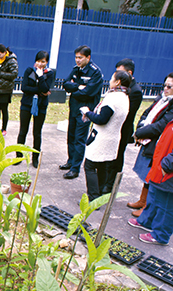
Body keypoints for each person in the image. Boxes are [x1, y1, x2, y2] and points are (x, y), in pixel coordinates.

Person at [128, 73, 173, 217]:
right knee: (145, 173)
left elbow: (161, 126)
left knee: (152, 175)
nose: (165, 88)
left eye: (169, 86)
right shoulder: (161, 98)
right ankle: (142, 200)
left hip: (158, 144)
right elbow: (146, 114)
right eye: (164, 85)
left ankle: (147, 207)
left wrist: (140, 133)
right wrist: (140, 127)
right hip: (148, 141)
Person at [81, 71, 130, 202]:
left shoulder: (113, 98)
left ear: (118, 81)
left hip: (102, 137)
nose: (110, 81)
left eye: (112, 78)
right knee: (102, 166)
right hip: (113, 137)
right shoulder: (125, 97)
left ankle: (93, 197)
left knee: (89, 166)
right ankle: (99, 194)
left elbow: (102, 119)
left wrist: (88, 112)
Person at [61, 45, 103, 179]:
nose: (77, 60)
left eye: (80, 57)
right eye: (76, 57)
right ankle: (70, 161)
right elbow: (65, 84)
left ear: (88, 57)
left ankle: (75, 168)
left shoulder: (95, 72)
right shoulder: (76, 69)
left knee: (79, 139)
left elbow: (88, 92)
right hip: (74, 108)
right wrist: (78, 86)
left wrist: (75, 90)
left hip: (85, 110)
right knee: (71, 136)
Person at [128, 120, 173, 245]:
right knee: (154, 197)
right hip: (160, 166)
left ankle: (160, 235)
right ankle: (146, 221)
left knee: (167, 205)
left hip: (168, 170)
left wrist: (167, 165)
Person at [103, 59, 143, 193]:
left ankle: (110, 185)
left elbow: (127, 113)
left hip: (122, 130)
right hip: (111, 128)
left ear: (129, 73)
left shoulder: (135, 91)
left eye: (119, 72)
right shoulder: (118, 88)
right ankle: (104, 181)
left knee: (117, 156)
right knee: (108, 156)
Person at [15, 50, 55, 168]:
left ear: (46, 62)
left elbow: (45, 87)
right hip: (27, 104)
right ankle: (18, 156)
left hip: (41, 106)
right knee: (23, 131)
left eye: (43, 61)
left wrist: (41, 76)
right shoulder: (29, 71)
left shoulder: (49, 73)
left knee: (37, 133)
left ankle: (35, 158)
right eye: (38, 61)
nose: (40, 64)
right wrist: (41, 91)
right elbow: (24, 88)